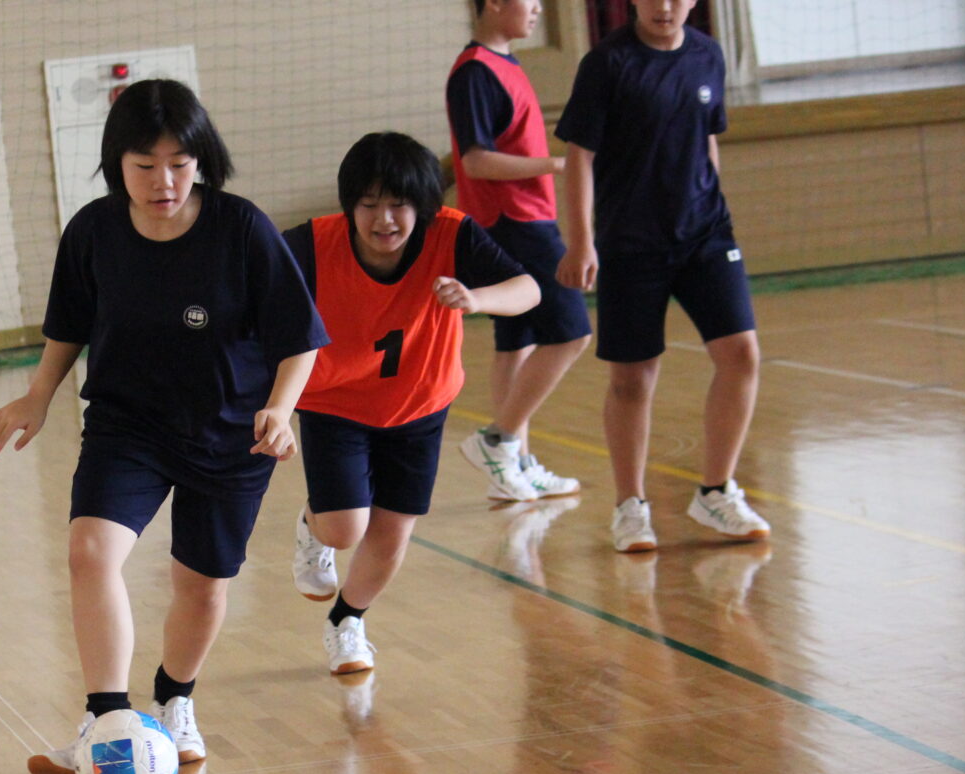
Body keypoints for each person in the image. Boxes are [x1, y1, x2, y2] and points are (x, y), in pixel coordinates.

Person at [0, 79, 326, 774]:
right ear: (117, 164)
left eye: (179, 162)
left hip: (232, 431)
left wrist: (282, 410)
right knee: (89, 551)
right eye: (145, 165)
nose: (164, 180)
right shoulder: (93, 232)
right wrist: (37, 396)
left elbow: (301, 339)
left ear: (202, 159)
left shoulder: (242, 229)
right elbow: (69, 327)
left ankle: (173, 701)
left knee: (200, 587)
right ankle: (106, 720)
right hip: (126, 423)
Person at [284, 133, 537, 675]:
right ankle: (313, 526)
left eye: (398, 205)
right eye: (368, 205)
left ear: (422, 207)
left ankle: (347, 622)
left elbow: (528, 289)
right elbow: (249, 283)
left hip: (420, 405)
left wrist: (477, 299)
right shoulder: (312, 244)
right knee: (344, 528)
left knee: (393, 530)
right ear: (349, 206)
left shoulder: (452, 233)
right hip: (336, 400)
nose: (384, 220)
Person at [555, 0, 770, 552]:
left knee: (742, 355)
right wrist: (581, 242)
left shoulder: (708, 56)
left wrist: (711, 204)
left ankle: (716, 491)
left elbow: (707, 139)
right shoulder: (607, 64)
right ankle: (631, 507)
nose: (665, 6)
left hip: (706, 236)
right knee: (633, 379)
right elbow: (579, 158)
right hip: (631, 244)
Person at [447, 0, 593, 503]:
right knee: (572, 332)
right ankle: (498, 440)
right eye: (527, 0)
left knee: (517, 342)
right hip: (512, 222)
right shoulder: (474, 73)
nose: (535, 9)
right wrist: (554, 165)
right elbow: (477, 161)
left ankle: (516, 465)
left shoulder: (506, 63)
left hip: (520, 218)